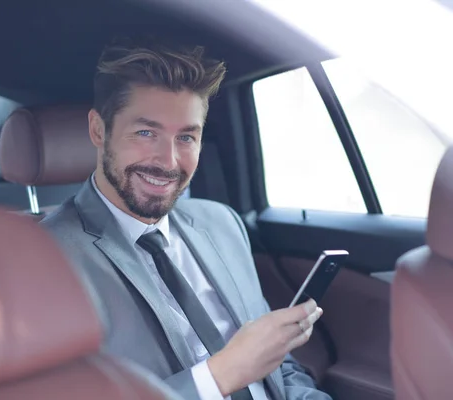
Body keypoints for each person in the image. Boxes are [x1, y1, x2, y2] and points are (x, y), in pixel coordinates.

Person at [42, 37, 331, 400]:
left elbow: (279, 366)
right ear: (99, 130)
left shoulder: (222, 223)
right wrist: (221, 375)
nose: (169, 162)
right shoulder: (42, 260)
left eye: (186, 137)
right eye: (146, 133)